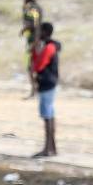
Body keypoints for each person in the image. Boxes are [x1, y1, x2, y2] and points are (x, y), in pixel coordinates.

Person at [31, 21, 60, 157]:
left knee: (47, 117)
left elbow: (38, 66)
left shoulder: (49, 47)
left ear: (45, 32)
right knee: (50, 116)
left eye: (39, 31)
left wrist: (35, 50)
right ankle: (52, 148)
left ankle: (47, 149)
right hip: (49, 84)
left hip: (47, 84)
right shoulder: (50, 46)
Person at [20, 0, 42, 96]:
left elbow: (35, 23)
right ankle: (34, 89)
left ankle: (35, 90)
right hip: (31, 39)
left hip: (34, 40)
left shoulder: (33, 8)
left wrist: (35, 40)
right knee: (31, 65)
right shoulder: (29, 7)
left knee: (32, 65)